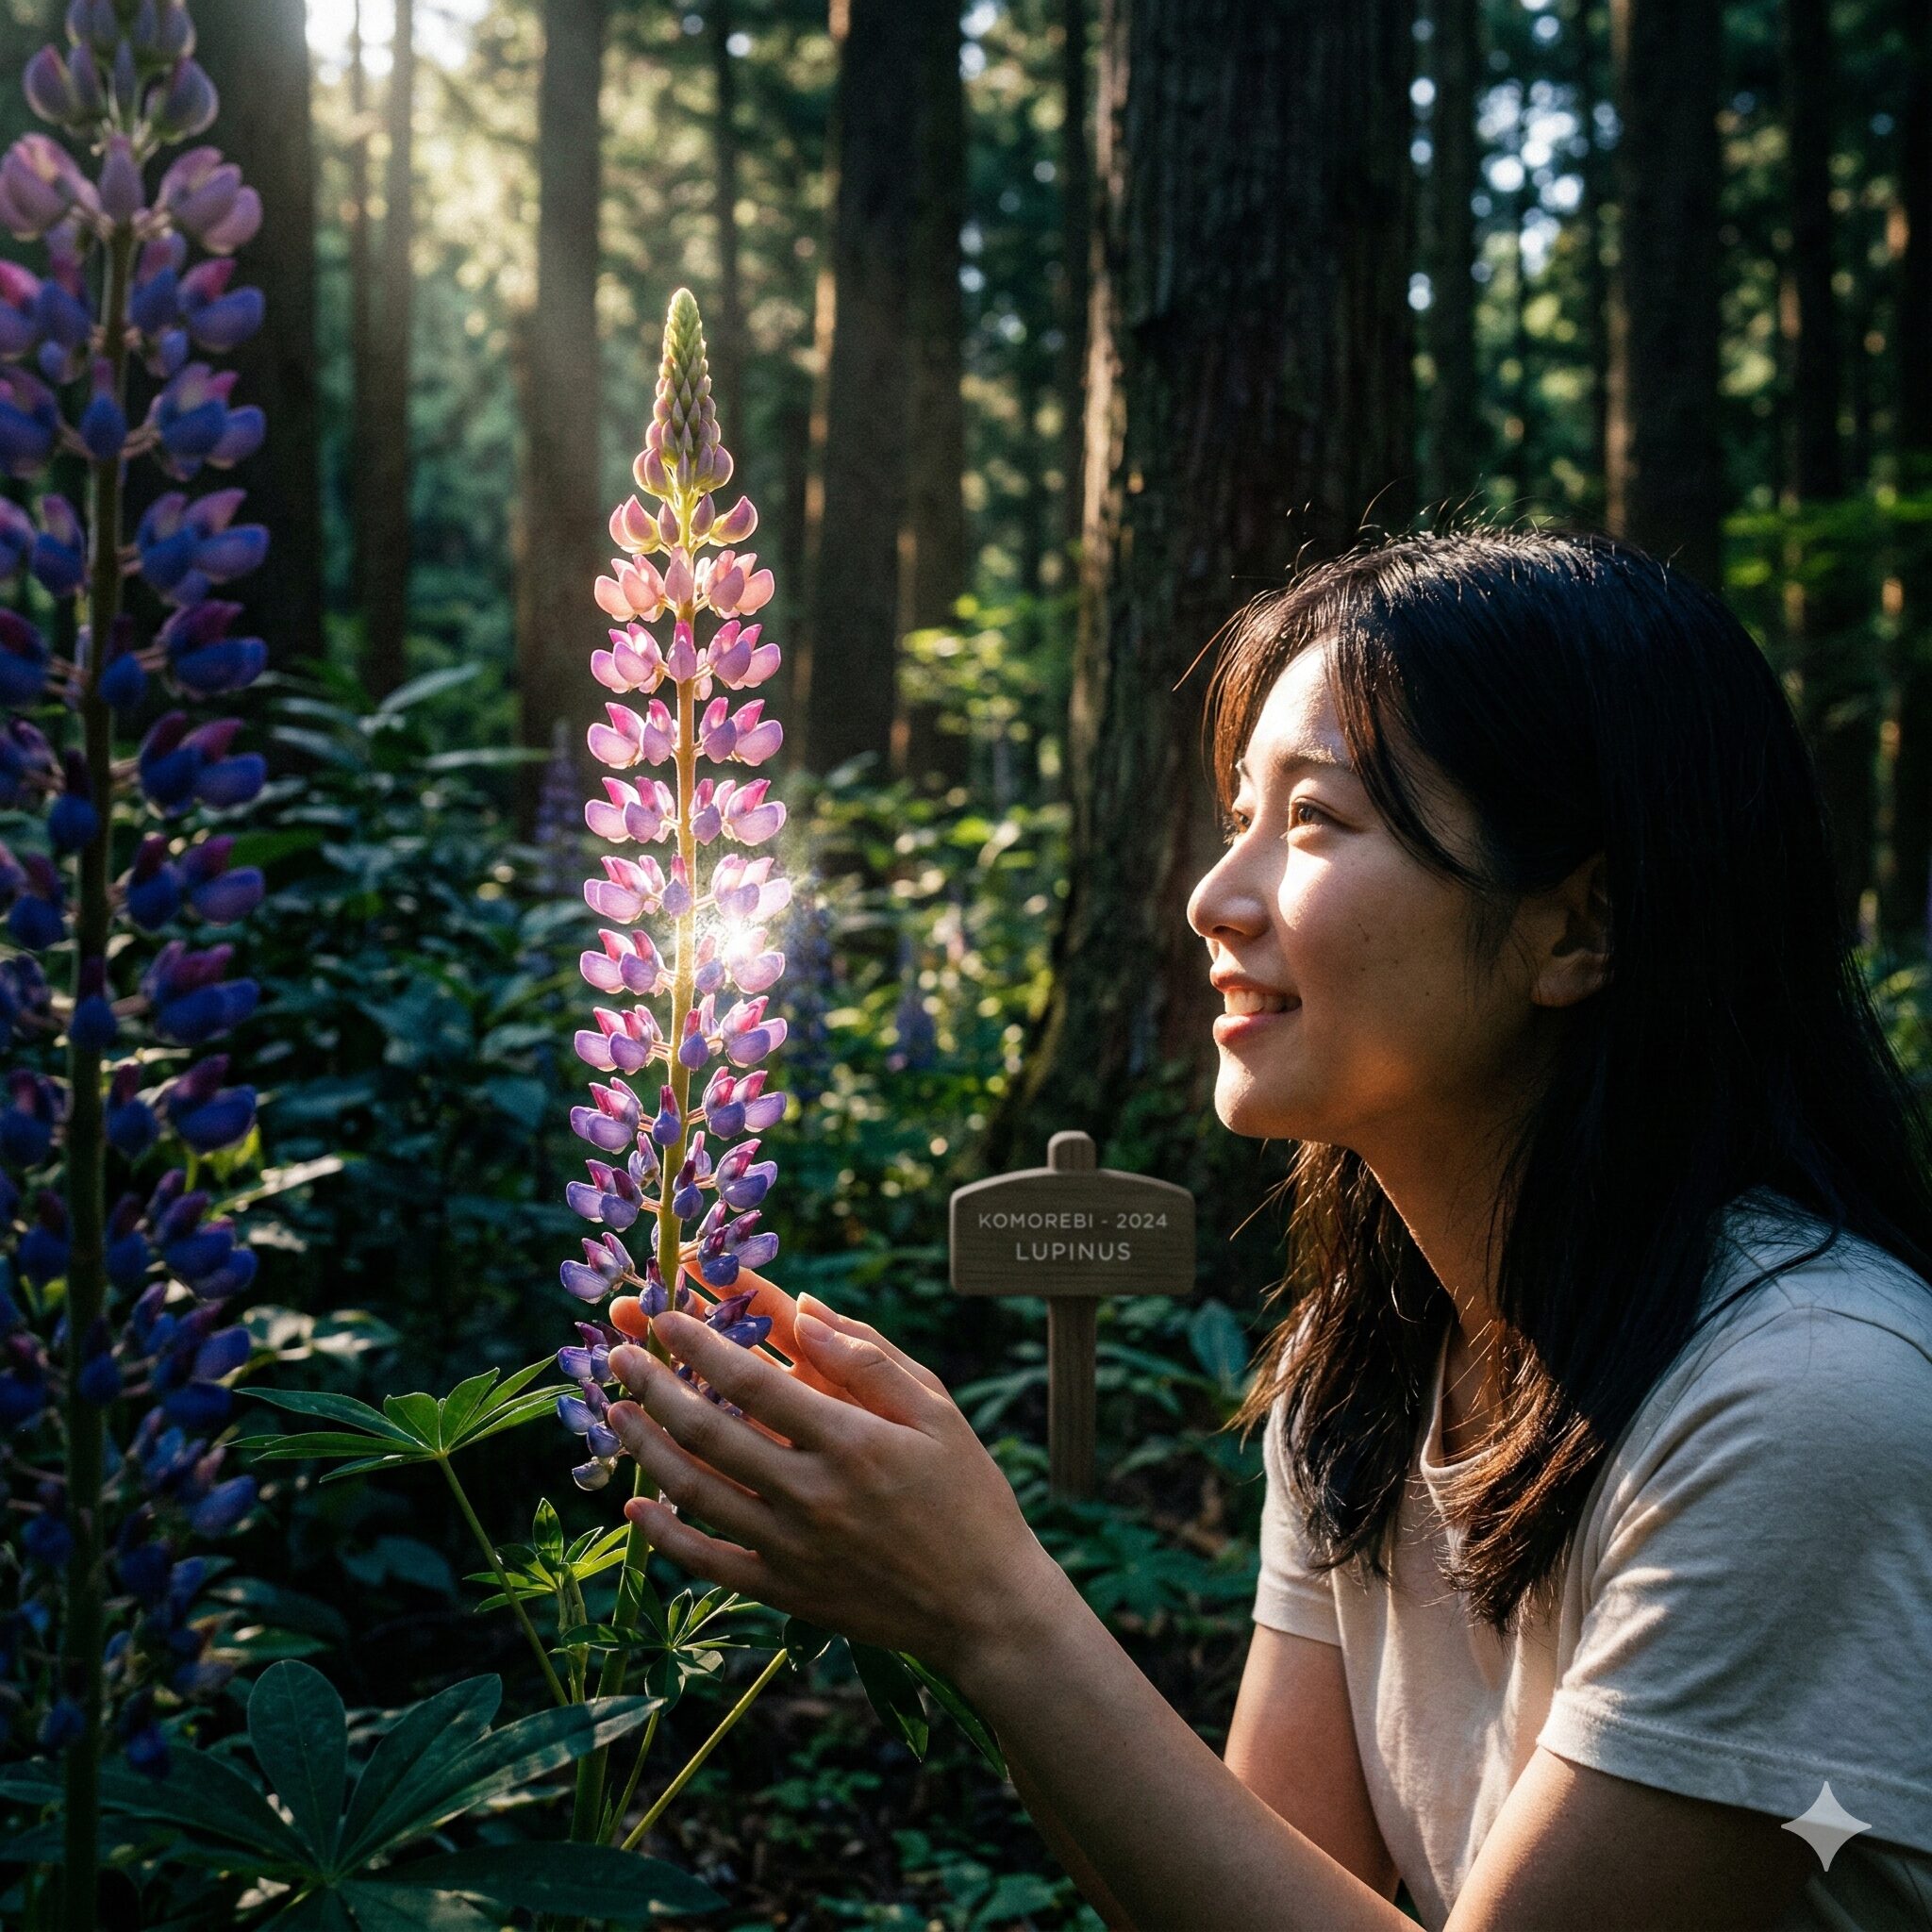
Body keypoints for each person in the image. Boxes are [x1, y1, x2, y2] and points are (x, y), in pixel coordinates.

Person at [604, 528, 1932, 1931]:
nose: (1212, 899)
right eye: (1240, 814)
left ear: (1576, 927)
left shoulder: (1807, 1405)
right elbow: (1264, 1892)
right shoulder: (1359, 1365)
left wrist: (990, 1610)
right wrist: (969, 1609)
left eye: (1313, 822)